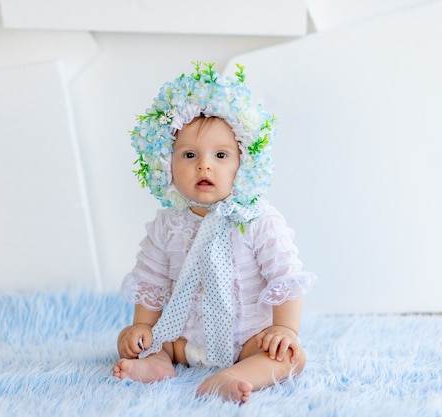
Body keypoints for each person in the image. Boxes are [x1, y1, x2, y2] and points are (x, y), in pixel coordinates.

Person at [112, 61, 317, 404]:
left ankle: (234, 374)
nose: (204, 165)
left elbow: (286, 278)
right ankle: (157, 364)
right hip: (184, 339)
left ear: (243, 162)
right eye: (189, 155)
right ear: (166, 164)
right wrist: (142, 328)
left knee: (292, 356)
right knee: (133, 341)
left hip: (249, 338)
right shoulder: (168, 224)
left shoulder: (258, 220)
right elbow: (151, 283)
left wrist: (284, 329)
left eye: (221, 155)